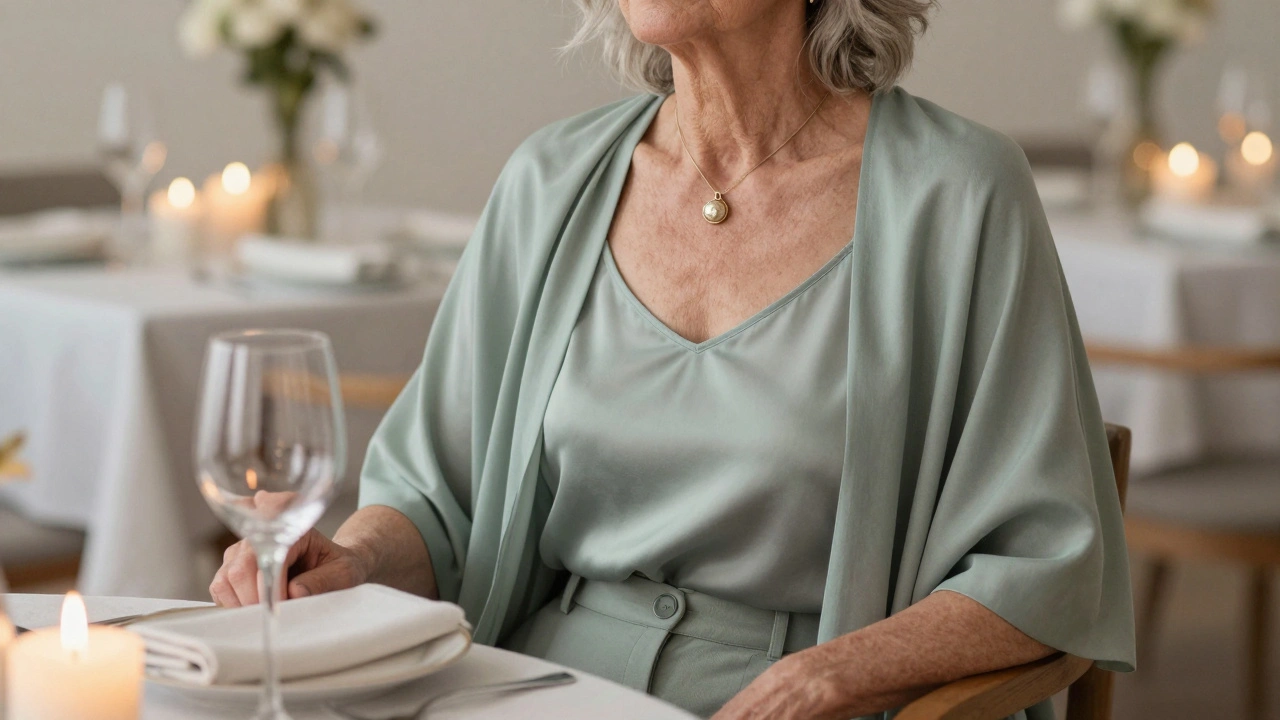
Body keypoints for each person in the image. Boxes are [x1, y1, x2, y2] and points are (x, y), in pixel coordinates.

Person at [213, 1, 1136, 717]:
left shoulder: (961, 193)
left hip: (808, 697)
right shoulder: (550, 180)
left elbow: (1049, 564)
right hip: (529, 685)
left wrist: (827, 678)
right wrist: (353, 563)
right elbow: (439, 502)